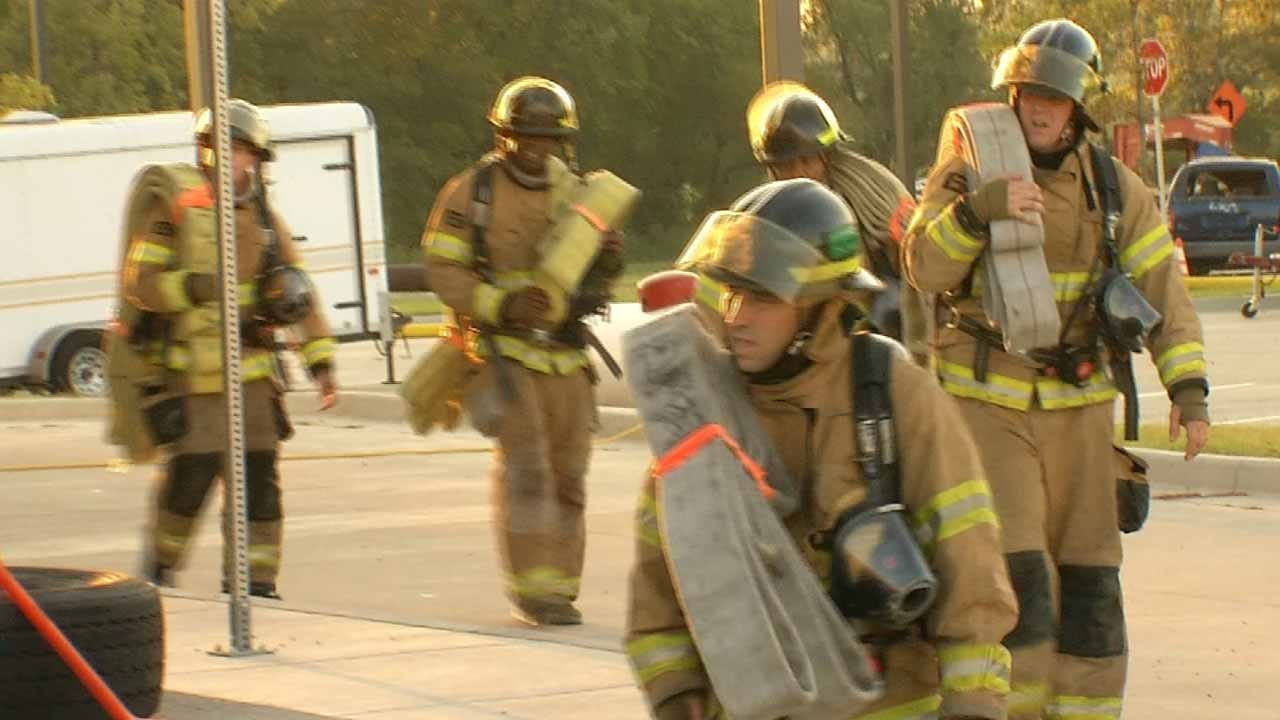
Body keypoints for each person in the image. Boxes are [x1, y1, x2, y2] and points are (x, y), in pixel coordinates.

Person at [902, 19, 1211, 719]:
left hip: (1080, 412)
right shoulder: (968, 166)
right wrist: (978, 212)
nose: (1038, 107)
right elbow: (922, 265)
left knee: (1092, 582)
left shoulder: (1111, 186)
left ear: (1080, 107)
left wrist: (1188, 391)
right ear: (1012, 93)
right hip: (988, 405)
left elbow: (1164, 286)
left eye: (1055, 96)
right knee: (1018, 578)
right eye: (1028, 91)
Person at [625, 178, 1017, 720]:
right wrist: (674, 691)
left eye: (764, 298)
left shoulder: (891, 390)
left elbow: (967, 553)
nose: (738, 317)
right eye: (733, 294)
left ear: (817, 306)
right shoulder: (705, 407)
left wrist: (973, 703)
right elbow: (661, 561)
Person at [421, 76, 625, 626]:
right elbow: (442, 268)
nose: (536, 149)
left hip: (565, 355)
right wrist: (500, 304)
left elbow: (596, 275)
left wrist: (607, 257)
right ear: (504, 136)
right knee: (528, 468)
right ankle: (531, 589)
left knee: (569, 475)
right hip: (502, 352)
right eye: (524, 138)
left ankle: (560, 585)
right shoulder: (472, 193)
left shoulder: (577, 193)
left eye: (547, 140)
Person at [122, 98, 338, 599]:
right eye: (237, 150)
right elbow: (142, 284)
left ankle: (256, 584)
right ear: (209, 152)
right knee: (189, 481)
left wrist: (321, 362)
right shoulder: (172, 210)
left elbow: (298, 292)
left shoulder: (262, 216)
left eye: (252, 154)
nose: (246, 163)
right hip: (193, 381)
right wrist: (193, 287)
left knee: (261, 484)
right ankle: (159, 568)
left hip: (254, 380)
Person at [745, 82, 925, 353]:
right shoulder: (763, 214)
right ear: (771, 169)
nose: (797, 173)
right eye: (785, 165)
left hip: (878, 327)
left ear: (827, 158)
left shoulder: (873, 193)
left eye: (806, 161)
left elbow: (914, 261)